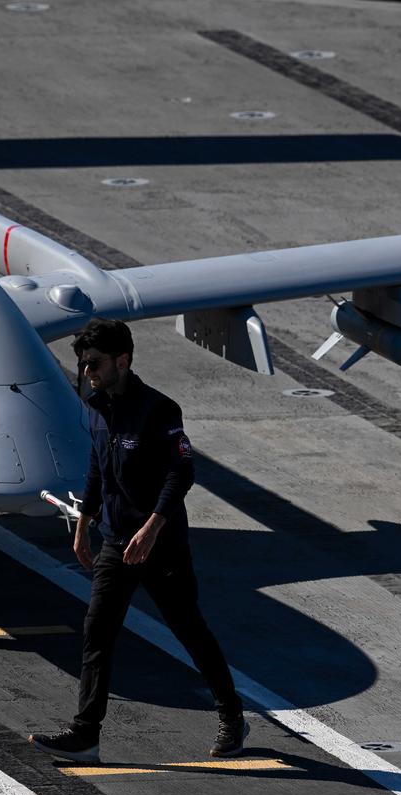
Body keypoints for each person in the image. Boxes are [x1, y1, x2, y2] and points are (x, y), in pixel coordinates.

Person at [29, 318, 247, 763]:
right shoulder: (95, 406)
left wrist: (152, 527)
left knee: (189, 629)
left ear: (122, 361)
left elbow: (180, 472)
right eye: (82, 364)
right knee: (97, 632)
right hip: (116, 542)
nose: (87, 372)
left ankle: (232, 715)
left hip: (159, 543)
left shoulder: (159, 410)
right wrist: (85, 519)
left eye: (94, 363)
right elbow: (97, 465)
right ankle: (86, 734)